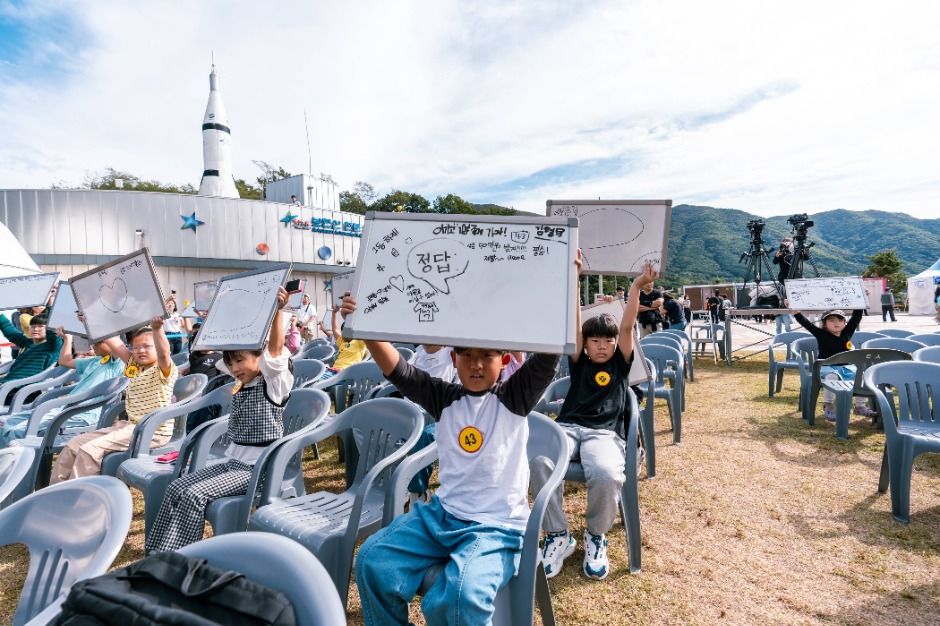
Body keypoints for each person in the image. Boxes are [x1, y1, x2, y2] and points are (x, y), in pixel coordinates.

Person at [349, 276, 564, 625]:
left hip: (497, 528)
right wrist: (364, 326)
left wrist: (566, 278)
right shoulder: (443, 398)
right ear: (454, 357)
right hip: (442, 516)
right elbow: (397, 370)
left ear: (504, 359)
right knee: (372, 559)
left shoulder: (514, 398)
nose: (476, 364)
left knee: (460, 594)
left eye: (487, 356)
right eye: (467, 355)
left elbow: (552, 350)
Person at [532, 260, 655, 581]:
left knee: (605, 473)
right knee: (539, 460)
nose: (602, 346)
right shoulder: (578, 362)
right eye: (595, 341)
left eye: (608, 340)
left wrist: (636, 286)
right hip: (568, 428)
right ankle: (558, 534)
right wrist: (574, 278)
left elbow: (626, 325)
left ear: (615, 343)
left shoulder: (621, 364)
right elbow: (574, 324)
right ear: (585, 345)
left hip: (603, 435)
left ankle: (595, 535)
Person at [146, 287, 293, 553]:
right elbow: (216, 348)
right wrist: (219, 316)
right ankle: (155, 552)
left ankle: (177, 558)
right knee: (176, 486)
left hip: (257, 471)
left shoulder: (273, 384)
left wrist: (277, 312)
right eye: (231, 363)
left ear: (260, 358)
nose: (235, 368)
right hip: (233, 464)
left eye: (240, 361)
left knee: (193, 494)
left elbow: (275, 351)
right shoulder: (240, 381)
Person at [51, 319, 179, 482]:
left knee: (89, 450)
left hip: (152, 432)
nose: (140, 350)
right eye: (136, 347)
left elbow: (164, 353)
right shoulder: (134, 365)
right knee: (73, 445)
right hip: (130, 426)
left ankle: (80, 501)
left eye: (147, 346)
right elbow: (112, 339)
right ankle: (55, 494)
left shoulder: (163, 370)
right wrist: (91, 318)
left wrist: (158, 329)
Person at [0, 328, 124, 447]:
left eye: (97, 342)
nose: (92, 345)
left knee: (17, 431)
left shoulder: (116, 364)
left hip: (81, 414)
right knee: (5, 423)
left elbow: (114, 342)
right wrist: (67, 339)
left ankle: (16, 464)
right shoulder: (96, 361)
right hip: (62, 409)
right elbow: (65, 361)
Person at [791, 307, 874, 421]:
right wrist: (796, 312)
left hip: (846, 368)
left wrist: (860, 303)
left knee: (863, 375)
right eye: (832, 320)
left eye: (840, 320)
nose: (837, 323)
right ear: (824, 324)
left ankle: (860, 406)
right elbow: (807, 324)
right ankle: (829, 405)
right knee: (832, 377)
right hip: (826, 368)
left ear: (844, 323)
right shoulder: (821, 334)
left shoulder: (847, 332)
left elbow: (855, 318)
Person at [0, 313, 62, 389]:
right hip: (8, 384)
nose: (35, 329)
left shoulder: (52, 347)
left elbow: (53, 335)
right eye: (33, 326)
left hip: (25, 388)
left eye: (41, 326)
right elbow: (10, 332)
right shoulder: (28, 342)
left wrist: (52, 321)